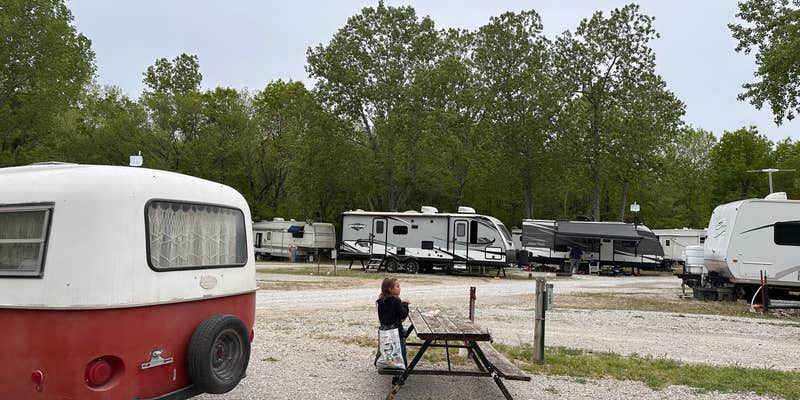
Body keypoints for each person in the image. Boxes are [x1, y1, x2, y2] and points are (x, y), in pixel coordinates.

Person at [376, 278, 410, 378]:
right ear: (390, 289)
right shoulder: (396, 301)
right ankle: (400, 373)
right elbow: (403, 314)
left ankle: (379, 360)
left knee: (385, 348)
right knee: (401, 351)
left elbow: (386, 317)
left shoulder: (381, 301)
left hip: (384, 332)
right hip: (396, 333)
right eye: (397, 286)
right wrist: (405, 304)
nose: (399, 288)